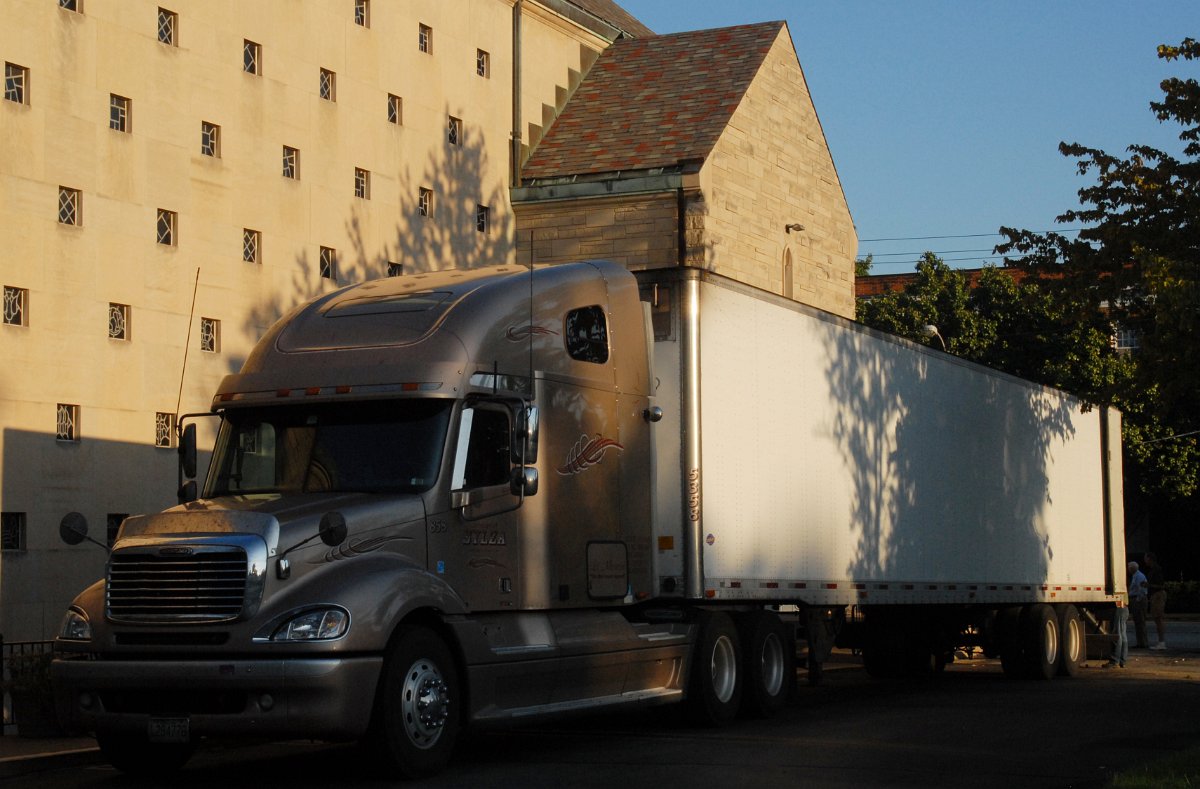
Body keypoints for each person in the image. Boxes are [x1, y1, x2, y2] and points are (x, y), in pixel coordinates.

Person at [1143, 551, 1167, 650]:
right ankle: (1161, 641)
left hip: (1158, 595)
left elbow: (1161, 585)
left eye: (1146, 558)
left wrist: (1149, 585)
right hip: (1155, 595)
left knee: (1158, 619)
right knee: (1157, 619)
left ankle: (1161, 642)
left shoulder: (1157, 569)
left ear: (1149, 559)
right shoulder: (1154, 569)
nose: (1144, 560)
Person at [1128, 560, 1149, 649]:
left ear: (1132, 568)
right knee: (1138, 622)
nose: (1128, 569)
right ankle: (1140, 642)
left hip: (1138, 600)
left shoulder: (1139, 576)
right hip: (1136, 599)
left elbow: (1141, 589)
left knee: (1140, 621)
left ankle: (1143, 643)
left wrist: (1138, 600)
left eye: (1129, 567)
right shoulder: (1135, 576)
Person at [1105, 594, 1128, 668]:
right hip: (1124, 607)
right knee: (1122, 635)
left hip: (1119, 607)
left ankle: (1115, 660)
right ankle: (1122, 661)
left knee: (1117, 635)